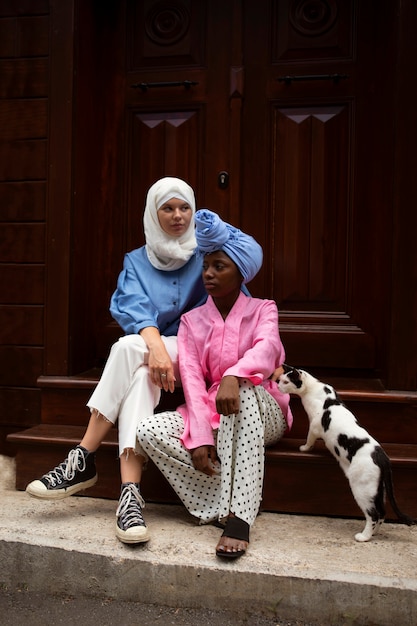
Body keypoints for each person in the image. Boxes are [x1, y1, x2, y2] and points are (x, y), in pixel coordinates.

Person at [26, 177, 207, 545]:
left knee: (126, 348)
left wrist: (155, 345)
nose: (177, 216)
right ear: (153, 213)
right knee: (140, 377)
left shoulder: (208, 253)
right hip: (151, 350)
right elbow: (131, 305)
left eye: (184, 207)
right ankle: (130, 497)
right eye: (168, 208)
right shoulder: (137, 261)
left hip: (192, 350)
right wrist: (155, 348)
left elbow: (223, 309)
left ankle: (83, 456)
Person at [137, 209, 293, 559]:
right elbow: (191, 380)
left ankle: (240, 517)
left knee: (246, 391)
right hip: (214, 414)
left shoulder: (264, 309)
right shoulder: (191, 321)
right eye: (206, 266)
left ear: (240, 274)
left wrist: (232, 376)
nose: (208, 273)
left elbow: (268, 350)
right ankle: (224, 501)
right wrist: (202, 437)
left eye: (219, 267)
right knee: (149, 429)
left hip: (263, 412)